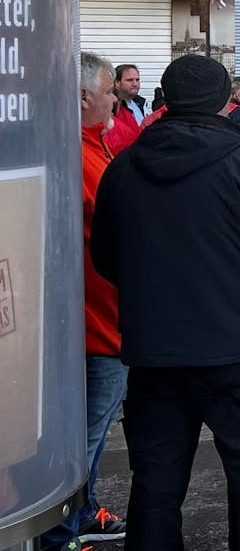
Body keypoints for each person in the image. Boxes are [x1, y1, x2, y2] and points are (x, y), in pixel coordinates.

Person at [90, 54, 240, 551]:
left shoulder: (123, 169)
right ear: (223, 101)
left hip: (157, 351)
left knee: (155, 485)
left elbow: (106, 255)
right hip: (239, 352)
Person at [39, 53, 129, 551]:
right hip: (95, 326)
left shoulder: (91, 147)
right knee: (85, 440)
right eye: (111, 90)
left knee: (90, 438)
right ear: (81, 97)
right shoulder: (74, 153)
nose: (117, 98)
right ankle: (64, 532)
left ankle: (83, 511)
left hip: (101, 321)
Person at [105, 63, 148, 154]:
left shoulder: (141, 103)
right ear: (117, 82)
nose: (135, 84)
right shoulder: (111, 107)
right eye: (129, 80)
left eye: (137, 80)